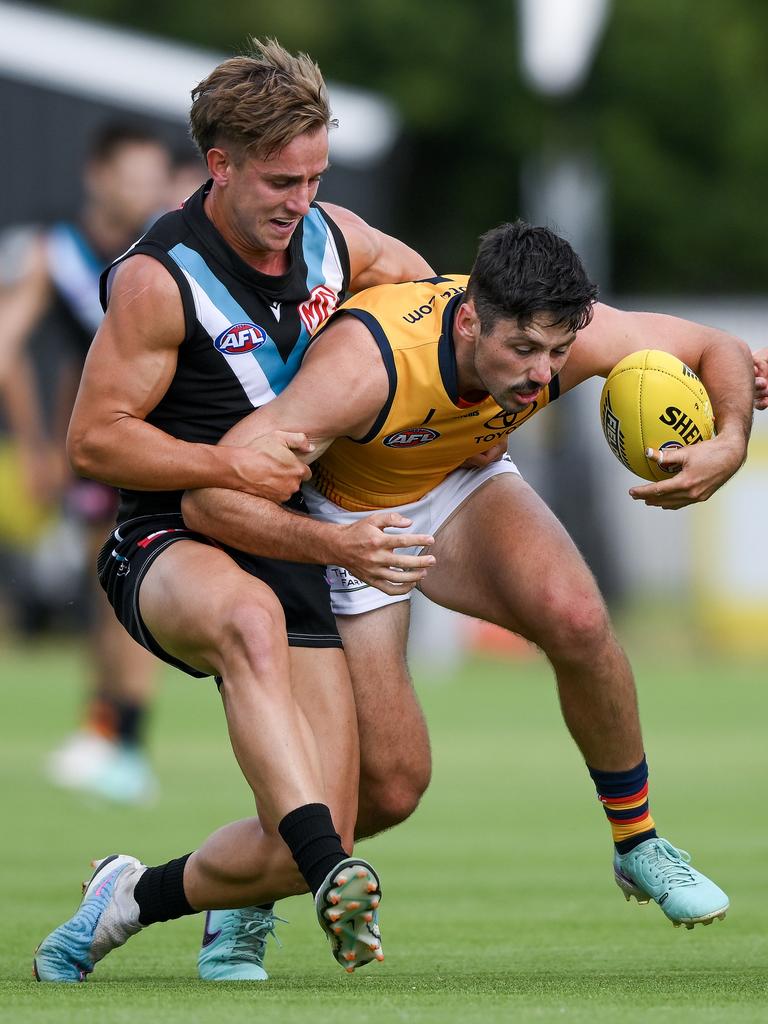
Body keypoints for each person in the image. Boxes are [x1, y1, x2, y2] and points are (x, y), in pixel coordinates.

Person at [179, 221, 755, 961]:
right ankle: (248, 888)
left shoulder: (562, 339)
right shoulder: (364, 369)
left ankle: (637, 840)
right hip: (350, 522)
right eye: (521, 351)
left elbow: (721, 350)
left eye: (557, 351)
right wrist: (334, 544)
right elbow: (208, 498)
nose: (542, 375)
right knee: (389, 788)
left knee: (577, 617)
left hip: (459, 482)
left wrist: (730, 439)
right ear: (469, 319)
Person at [33, 39, 436, 984]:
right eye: (281, 182)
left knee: (376, 794)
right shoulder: (156, 278)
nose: (301, 203)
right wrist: (221, 461)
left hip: (293, 538)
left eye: (315, 178)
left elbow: (424, 298)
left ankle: (132, 896)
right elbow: (93, 441)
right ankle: (332, 873)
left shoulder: (334, 237)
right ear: (220, 165)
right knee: (250, 625)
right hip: (168, 537)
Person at [0, 122, 173, 803]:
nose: (143, 191)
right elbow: (10, 346)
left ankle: (125, 741)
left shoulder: (173, 244)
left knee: (132, 592)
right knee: (106, 590)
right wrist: (37, 444)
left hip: (166, 440)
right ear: (97, 176)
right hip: (101, 447)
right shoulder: (58, 251)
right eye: (131, 176)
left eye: (153, 178)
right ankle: (106, 729)